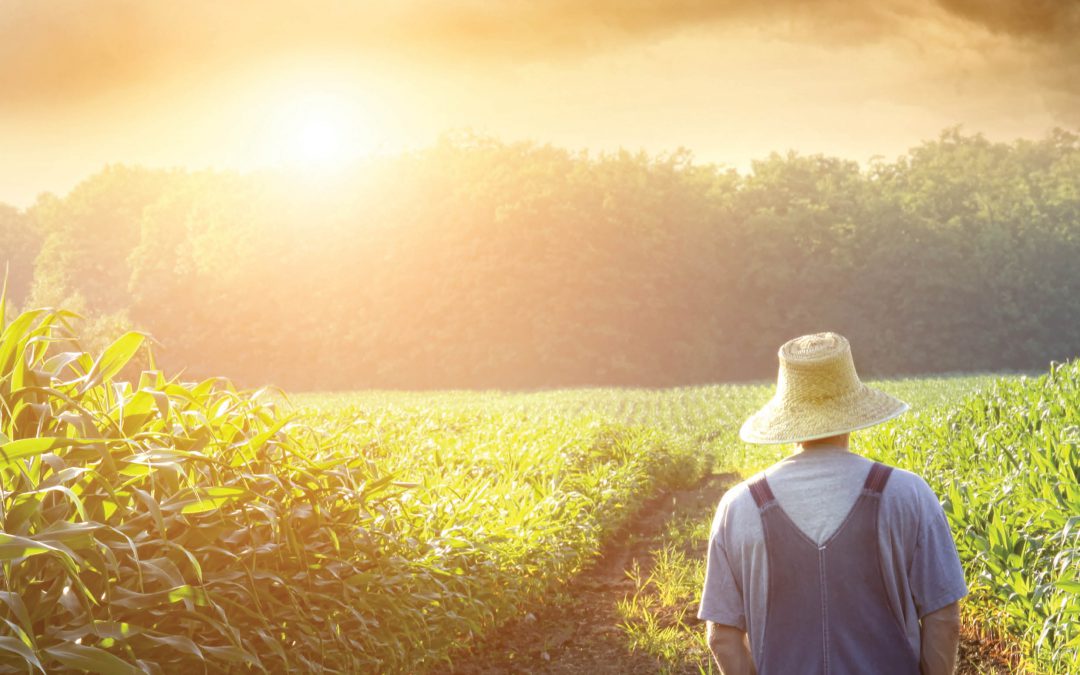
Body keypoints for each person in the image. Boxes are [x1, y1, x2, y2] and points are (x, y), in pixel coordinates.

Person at [698, 332, 966, 675]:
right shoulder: (908, 493)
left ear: (787, 418)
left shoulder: (739, 507)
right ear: (853, 408)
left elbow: (722, 635)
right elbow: (944, 619)